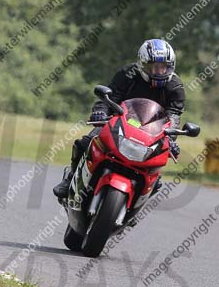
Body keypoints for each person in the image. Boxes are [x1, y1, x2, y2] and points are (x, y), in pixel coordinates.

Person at [53, 39, 186, 198]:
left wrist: (171, 139)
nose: (159, 71)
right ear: (142, 64)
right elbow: (109, 97)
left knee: (156, 177)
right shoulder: (128, 74)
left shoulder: (176, 87)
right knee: (86, 142)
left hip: (151, 133)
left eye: (163, 67)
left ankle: (136, 203)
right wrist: (100, 112)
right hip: (119, 122)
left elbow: (174, 116)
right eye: (153, 66)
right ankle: (70, 179)